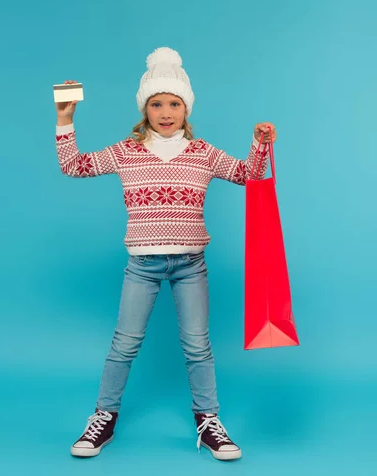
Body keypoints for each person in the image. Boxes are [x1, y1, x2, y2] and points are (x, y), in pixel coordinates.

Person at [55, 47, 277, 461]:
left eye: (174, 103)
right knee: (125, 343)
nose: (165, 111)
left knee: (197, 345)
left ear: (186, 108)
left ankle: (208, 421)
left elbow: (249, 175)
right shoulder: (126, 151)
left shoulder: (202, 152)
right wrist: (65, 118)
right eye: (156, 103)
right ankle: (104, 416)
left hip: (191, 265)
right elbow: (74, 166)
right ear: (145, 109)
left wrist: (258, 142)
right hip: (142, 265)